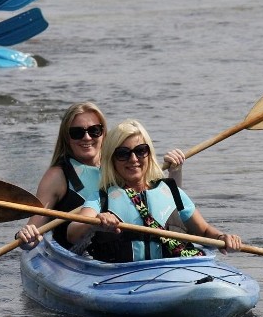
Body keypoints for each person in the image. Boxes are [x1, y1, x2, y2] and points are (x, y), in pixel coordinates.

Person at [64, 120, 241, 262]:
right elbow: (73, 232)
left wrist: (222, 237)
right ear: (112, 159)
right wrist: (94, 221)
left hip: (172, 274)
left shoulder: (171, 191)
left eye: (141, 151)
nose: (133, 159)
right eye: (123, 153)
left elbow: (203, 231)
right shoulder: (101, 198)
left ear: (149, 154)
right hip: (121, 279)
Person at [14, 105, 186, 251]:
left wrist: (175, 171)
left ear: (104, 134)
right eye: (77, 133)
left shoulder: (123, 163)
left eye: (94, 131)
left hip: (123, 252)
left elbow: (167, 205)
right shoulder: (57, 176)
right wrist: (26, 236)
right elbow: (34, 232)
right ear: (67, 137)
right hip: (80, 257)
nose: (87, 137)